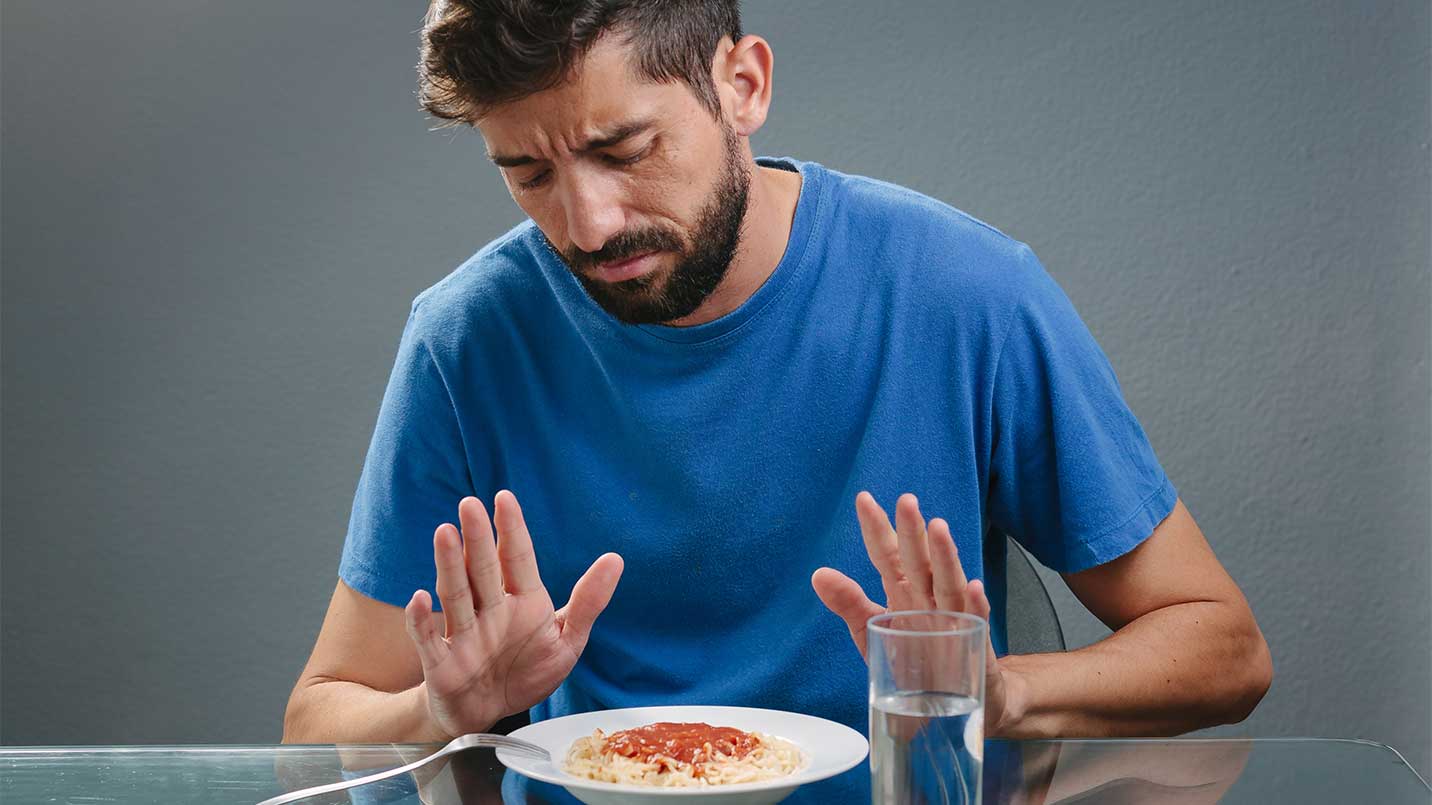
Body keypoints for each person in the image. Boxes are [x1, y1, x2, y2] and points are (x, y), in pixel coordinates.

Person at [282, 0, 1272, 782]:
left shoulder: (964, 293)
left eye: (624, 150)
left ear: (742, 84)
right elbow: (321, 712)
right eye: (526, 172)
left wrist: (994, 692)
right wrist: (442, 711)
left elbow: (1224, 650)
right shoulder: (467, 339)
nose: (585, 223)